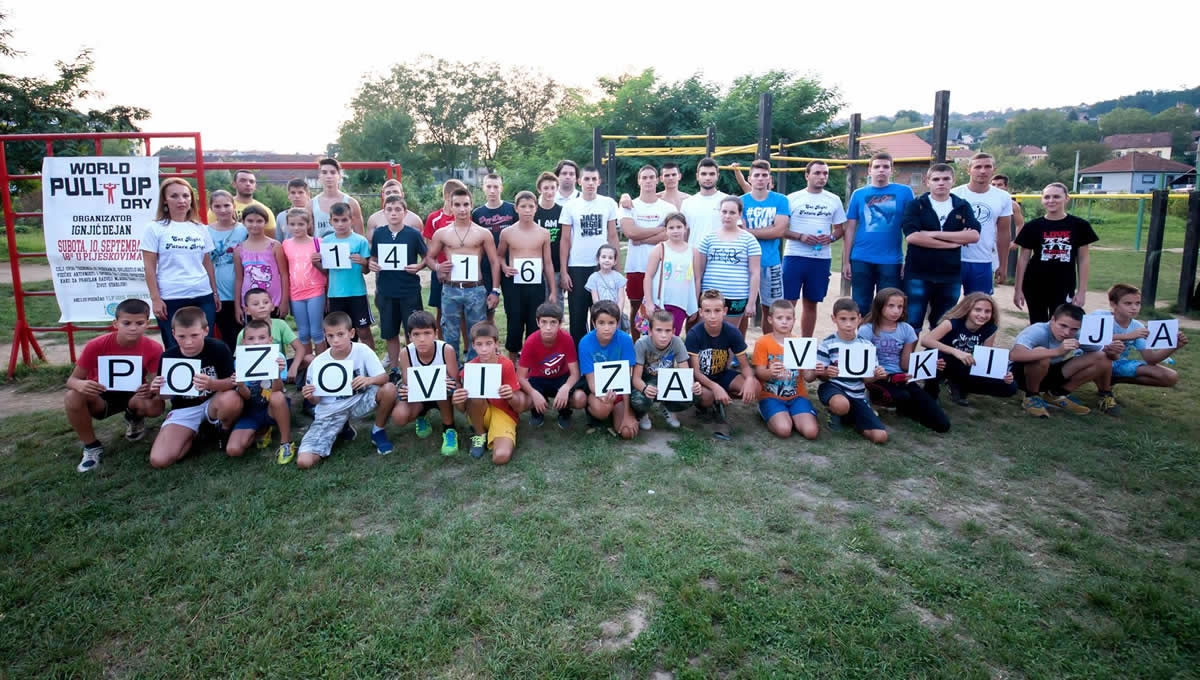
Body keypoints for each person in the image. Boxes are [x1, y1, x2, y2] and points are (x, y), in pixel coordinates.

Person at [64, 298, 165, 472]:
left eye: (139, 323)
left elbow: (159, 384)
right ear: (116, 323)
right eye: (126, 323)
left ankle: (134, 417)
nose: (133, 328)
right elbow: (71, 381)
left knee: (155, 405)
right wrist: (81, 385)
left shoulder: (154, 348)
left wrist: (151, 387)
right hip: (101, 395)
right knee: (72, 396)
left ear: (147, 324)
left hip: (133, 395)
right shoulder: (96, 345)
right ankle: (91, 446)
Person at [298, 312, 398, 467]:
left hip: (358, 401)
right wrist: (310, 396)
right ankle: (341, 427)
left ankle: (378, 431)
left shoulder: (362, 350)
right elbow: (316, 400)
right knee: (305, 462)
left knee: (389, 389)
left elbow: (383, 377)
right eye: (330, 336)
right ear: (325, 336)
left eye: (340, 334)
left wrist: (368, 379)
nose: (335, 340)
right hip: (331, 411)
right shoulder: (318, 362)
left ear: (351, 333)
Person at [148, 306, 243, 468]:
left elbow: (232, 383)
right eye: (181, 336)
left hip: (213, 402)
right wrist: (157, 389)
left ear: (206, 331)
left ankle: (223, 430)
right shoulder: (168, 356)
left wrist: (212, 384)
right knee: (159, 460)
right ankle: (195, 434)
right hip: (184, 409)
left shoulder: (218, 348)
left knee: (231, 399)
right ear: (173, 334)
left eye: (194, 335)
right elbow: (165, 396)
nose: (188, 341)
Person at [141, 178, 219, 351]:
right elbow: (149, 266)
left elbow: (207, 262)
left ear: (192, 199)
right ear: (165, 200)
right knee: (175, 345)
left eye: (185, 195)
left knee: (204, 343)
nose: (181, 200)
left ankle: (203, 378)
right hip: (171, 296)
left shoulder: (200, 228)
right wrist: (155, 298)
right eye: (174, 196)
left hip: (202, 294)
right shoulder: (154, 228)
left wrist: (214, 292)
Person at [900, 164, 981, 330]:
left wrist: (932, 234)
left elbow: (973, 235)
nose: (941, 183)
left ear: (953, 181)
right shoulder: (917, 205)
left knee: (943, 324)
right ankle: (908, 357)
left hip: (949, 275)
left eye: (946, 179)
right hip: (918, 272)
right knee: (912, 323)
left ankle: (938, 356)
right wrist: (953, 243)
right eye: (936, 179)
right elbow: (913, 237)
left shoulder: (962, 205)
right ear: (927, 181)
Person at [858, 288, 950, 433]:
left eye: (900, 307)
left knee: (942, 425)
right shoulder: (866, 330)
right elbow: (863, 364)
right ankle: (877, 399)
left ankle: (905, 408)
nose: (896, 311)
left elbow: (905, 364)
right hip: (877, 377)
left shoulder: (907, 329)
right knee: (902, 396)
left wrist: (929, 364)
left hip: (902, 377)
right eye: (891, 306)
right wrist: (878, 376)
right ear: (879, 305)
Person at [425, 187, 502, 360]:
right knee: (450, 332)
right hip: (451, 289)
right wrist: (438, 267)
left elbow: (494, 262)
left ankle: (473, 369)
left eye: (466, 204)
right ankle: (452, 370)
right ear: (450, 206)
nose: (462, 209)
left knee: (477, 332)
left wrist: (495, 290)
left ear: (471, 205)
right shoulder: (442, 233)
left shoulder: (483, 233)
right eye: (457, 205)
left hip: (475, 289)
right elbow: (429, 258)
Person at [1009, 303, 1119, 418]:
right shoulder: (1038, 330)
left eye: (1074, 329)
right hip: (1022, 376)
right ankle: (1031, 396)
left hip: (1050, 373)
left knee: (1101, 356)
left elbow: (1107, 358)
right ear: (1052, 320)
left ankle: (1056, 395)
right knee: (1041, 353)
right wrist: (1057, 351)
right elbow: (1014, 355)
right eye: (1063, 325)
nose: (1067, 332)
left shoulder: (1077, 335)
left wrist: (1113, 352)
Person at [1014, 183, 1098, 324]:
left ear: (1066, 198)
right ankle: (1038, 346)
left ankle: (1057, 347)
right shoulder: (1033, 226)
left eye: (1056, 196)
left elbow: (1083, 259)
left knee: (1060, 322)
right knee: (1038, 322)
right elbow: (1023, 259)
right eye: (1047, 197)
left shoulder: (1079, 225)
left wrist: (1082, 291)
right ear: (1042, 200)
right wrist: (1018, 289)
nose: (1051, 200)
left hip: (1064, 283)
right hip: (1035, 283)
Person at [809, 298, 889, 443]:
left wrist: (877, 375)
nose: (848, 324)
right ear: (834, 319)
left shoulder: (867, 346)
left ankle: (853, 419)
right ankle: (835, 413)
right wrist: (826, 372)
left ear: (859, 319)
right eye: (843, 319)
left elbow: (866, 379)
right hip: (833, 388)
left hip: (857, 393)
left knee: (880, 436)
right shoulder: (827, 344)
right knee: (841, 404)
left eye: (852, 319)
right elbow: (820, 375)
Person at [842, 153, 913, 315]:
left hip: (891, 260)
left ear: (891, 170)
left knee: (888, 305)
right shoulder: (858, 194)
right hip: (861, 258)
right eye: (877, 166)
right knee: (861, 304)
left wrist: (908, 260)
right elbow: (850, 228)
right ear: (869, 170)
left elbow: (911, 228)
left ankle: (883, 339)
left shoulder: (904, 192)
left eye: (885, 167)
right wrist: (846, 261)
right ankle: (862, 338)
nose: (881, 170)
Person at [783, 161, 847, 337]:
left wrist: (832, 237)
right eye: (817, 173)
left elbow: (840, 228)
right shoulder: (792, 198)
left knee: (811, 303)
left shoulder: (833, 199)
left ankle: (806, 344)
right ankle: (783, 343)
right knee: (788, 303)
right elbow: (781, 228)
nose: (822, 177)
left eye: (825, 173)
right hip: (795, 256)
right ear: (807, 175)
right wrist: (800, 236)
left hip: (820, 259)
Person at [686, 290, 761, 440]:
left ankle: (721, 399)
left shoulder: (732, 331)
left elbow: (745, 366)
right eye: (707, 311)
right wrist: (715, 387)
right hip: (701, 379)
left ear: (724, 311)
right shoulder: (694, 334)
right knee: (707, 396)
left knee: (756, 387)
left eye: (717, 311)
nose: (712, 316)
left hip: (721, 374)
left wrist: (750, 380)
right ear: (701, 312)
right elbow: (696, 372)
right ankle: (705, 406)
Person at [920, 292, 1017, 406]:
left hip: (966, 365)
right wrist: (956, 352)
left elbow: (986, 359)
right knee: (934, 358)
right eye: (978, 310)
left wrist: (1003, 375)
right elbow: (926, 341)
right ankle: (931, 392)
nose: (982, 314)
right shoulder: (952, 323)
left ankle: (959, 386)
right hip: (944, 361)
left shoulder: (990, 329)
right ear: (968, 309)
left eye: (987, 311)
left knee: (1011, 386)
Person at [453, 322, 529, 462]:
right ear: (473, 345)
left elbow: (518, 405)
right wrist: (457, 400)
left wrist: (510, 395)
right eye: (479, 344)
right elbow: (462, 409)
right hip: (480, 412)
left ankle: (494, 431)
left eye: (488, 343)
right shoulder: (470, 368)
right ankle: (479, 434)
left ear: (496, 344)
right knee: (475, 396)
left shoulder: (506, 365)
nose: (484, 349)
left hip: (503, 412)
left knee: (501, 457)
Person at [559, 166, 619, 342]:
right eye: (587, 179)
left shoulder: (608, 203)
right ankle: (578, 362)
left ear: (599, 181)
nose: (590, 183)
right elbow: (565, 240)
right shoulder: (570, 206)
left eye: (594, 179)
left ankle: (601, 359)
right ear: (580, 181)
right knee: (577, 318)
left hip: (602, 268)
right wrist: (564, 271)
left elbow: (613, 235)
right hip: (577, 267)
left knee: (603, 315)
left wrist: (616, 268)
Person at [369, 195, 427, 375]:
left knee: (412, 330)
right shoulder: (379, 233)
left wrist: (418, 266)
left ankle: (412, 367)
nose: (393, 213)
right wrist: (372, 263)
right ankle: (394, 367)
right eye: (389, 210)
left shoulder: (413, 234)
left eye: (397, 210)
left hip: (409, 290)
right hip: (386, 291)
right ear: (384, 212)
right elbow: (374, 257)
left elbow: (426, 256)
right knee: (389, 331)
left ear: (405, 212)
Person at [391, 311, 460, 456]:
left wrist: (449, 383)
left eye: (427, 333)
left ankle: (449, 429)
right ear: (409, 336)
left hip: (443, 397)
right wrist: (403, 390)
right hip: (420, 396)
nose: (422, 339)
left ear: (435, 333)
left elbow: (456, 383)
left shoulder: (446, 350)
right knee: (399, 416)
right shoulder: (406, 353)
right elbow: (407, 383)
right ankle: (421, 414)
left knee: (443, 387)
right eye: (416, 334)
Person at [225, 319, 294, 464]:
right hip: (251, 409)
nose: (256, 342)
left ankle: (286, 443)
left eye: (262, 338)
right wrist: (241, 385)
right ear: (243, 342)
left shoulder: (278, 358)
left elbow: (278, 389)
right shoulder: (239, 361)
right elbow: (246, 396)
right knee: (233, 450)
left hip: (273, 406)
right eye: (251, 338)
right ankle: (262, 429)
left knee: (277, 397)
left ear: (270, 340)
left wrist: (276, 374)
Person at [498, 190, 556, 358]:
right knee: (514, 321)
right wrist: (504, 267)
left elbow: (548, 262)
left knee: (534, 321)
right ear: (516, 208)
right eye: (523, 206)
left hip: (536, 284)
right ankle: (513, 359)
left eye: (531, 206)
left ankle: (531, 360)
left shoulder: (543, 233)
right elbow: (499, 255)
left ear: (536, 208)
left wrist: (552, 290)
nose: (527, 210)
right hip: (514, 285)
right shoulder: (507, 232)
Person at [619, 165, 673, 341]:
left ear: (657, 180)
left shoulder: (668, 207)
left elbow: (669, 234)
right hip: (636, 265)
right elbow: (630, 232)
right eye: (644, 177)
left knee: (660, 309)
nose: (648, 180)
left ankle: (659, 347)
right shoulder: (629, 205)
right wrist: (657, 230)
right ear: (638, 180)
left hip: (661, 266)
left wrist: (642, 238)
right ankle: (637, 347)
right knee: (636, 307)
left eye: (651, 177)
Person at [751, 300, 819, 440]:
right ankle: (769, 413)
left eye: (788, 318)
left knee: (811, 432)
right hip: (771, 396)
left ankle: (793, 415)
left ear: (794, 320)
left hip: (797, 396)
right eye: (779, 318)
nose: (784, 322)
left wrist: (816, 370)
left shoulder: (800, 342)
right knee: (784, 431)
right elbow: (759, 373)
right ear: (770, 319)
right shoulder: (763, 342)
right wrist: (770, 372)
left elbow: (808, 377)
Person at [572, 300, 639, 439]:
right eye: (601, 323)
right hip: (597, 390)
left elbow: (626, 380)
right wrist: (603, 397)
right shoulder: (585, 342)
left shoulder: (625, 340)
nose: (606, 328)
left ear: (618, 322)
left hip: (620, 391)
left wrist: (626, 414)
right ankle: (596, 411)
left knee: (627, 433)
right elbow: (591, 382)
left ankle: (622, 412)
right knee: (603, 409)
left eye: (611, 323)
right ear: (594, 323)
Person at [1099, 283, 1187, 388]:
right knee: (1105, 356)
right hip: (1095, 361)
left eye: (1137, 303)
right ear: (1113, 304)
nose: (1134, 308)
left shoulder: (1137, 326)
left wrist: (1174, 346)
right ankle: (1103, 389)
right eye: (1128, 303)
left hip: (1118, 364)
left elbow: (1151, 359)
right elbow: (1087, 339)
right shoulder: (1100, 316)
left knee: (1170, 376)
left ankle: (1112, 379)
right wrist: (1128, 336)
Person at [696, 196, 761, 333]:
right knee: (707, 334)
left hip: (736, 297)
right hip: (709, 297)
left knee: (729, 335)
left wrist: (751, 303)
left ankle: (729, 356)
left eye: (732, 212)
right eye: (724, 212)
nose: (727, 216)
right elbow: (699, 273)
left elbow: (755, 273)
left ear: (739, 214)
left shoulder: (749, 240)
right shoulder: (708, 238)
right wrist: (695, 299)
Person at [740, 160, 790, 334]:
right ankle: (739, 352)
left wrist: (749, 231)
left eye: (764, 175)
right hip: (744, 263)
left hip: (771, 262)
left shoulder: (780, 200)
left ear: (769, 178)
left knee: (772, 309)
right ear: (750, 179)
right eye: (756, 175)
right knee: (742, 308)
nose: (760, 179)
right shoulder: (741, 201)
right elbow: (740, 232)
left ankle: (771, 349)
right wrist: (767, 230)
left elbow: (779, 230)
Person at [951, 153, 1012, 294]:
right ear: (969, 170)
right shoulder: (955, 194)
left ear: (994, 170)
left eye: (987, 167)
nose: (983, 171)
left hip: (982, 259)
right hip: (953, 257)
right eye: (978, 167)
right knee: (947, 307)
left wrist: (1003, 265)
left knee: (978, 306)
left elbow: (1004, 233)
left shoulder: (1003, 197)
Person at [517, 302, 581, 430]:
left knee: (578, 397)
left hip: (560, 377)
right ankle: (537, 412)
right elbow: (520, 377)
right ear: (537, 322)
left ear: (560, 323)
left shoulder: (566, 339)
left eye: (553, 322)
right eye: (544, 322)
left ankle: (564, 413)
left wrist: (566, 387)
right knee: (530, 393)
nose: (548, 327)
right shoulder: (531, 341)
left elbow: (575, 373)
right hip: (538, 378)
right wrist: (533, 393)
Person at [631, 309, 697, 431]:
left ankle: (668, 407)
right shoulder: (641, 344)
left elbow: (685, 372)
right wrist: (644, 388)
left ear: (673, 332)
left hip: (668, 381)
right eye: (659, 330)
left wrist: (692, 385)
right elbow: (635, 378)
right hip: (647, 381)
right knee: (638, 400)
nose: (663, 335)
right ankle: (643, 413)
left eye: (667, 331)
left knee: (695, 394)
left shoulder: (677, 342)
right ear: (650, 331)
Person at [281, 207, 328, 365]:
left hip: (315, 290)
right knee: (303, 333)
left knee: (316, 331)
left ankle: (322, 364)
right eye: (292, 224)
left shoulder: (318, 243)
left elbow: (326, 268)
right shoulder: (286, 244)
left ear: (308, 224)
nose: (296, 228)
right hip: (296, 293)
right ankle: (309, 365)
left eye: (300, 224)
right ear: (287, 225)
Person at [325, 202, 375, 347]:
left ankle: (369, 364)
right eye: (336, 220)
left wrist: (363, 262)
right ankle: (341, 362)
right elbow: (324, 270)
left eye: (344, 220)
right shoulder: (327, 241)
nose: (340, 224)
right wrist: (317, 261)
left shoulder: (360, 241)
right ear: (330, 221)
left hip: (356, 292)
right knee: (337, 330)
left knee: (363, 331)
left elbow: (366, 271)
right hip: (335, 294)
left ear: (351, 220)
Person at [424, 179, 469, 340]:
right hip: (442, 273)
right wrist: (437, 268)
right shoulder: (434, 218)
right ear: (448, 196)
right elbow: (429, 250)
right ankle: (442, 345)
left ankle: (466, 347)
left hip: (463, 272)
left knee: (464, 311)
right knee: (441, 311)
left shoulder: (466, 217)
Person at [643, 212, 699, 335]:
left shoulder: (693, 251)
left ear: (685, 228)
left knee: (672, 337)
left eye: (679, 227)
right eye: (671, 228)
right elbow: (648, 276)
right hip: (660, 302)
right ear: (666, 230)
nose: (675, 231)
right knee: (654, 337)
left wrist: (694, 304)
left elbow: (696, 279)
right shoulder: (660, 248)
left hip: (680, 303)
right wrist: (649, 302)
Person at [473, 173, 519, 323]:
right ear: (483, 188)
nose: (492, 190)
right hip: (486, 265)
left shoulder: (512, 210)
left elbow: (519, 238)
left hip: (510, 266)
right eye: (489, 186)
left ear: (501, 188)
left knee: (513, 308)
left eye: (496, 187)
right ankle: (489, 341)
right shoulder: (477, 214)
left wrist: (507, 264)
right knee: (487, 309)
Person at [206, 189, 248, 350]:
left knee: (239, 334)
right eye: (217, 206)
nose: (222, 210)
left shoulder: (243, 230)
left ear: (233, 206)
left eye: (226, 205)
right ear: (211, 208)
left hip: (238, 290)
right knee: (223, 334)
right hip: (215, 291)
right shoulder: (205, 231)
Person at [236, 287, 307, 380]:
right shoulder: (243, 333)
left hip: (280, 367)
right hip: (255, 371)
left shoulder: (280, 324)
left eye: (266, 302)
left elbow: (300, 348)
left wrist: (294, 367)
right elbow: (239, 359)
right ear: (247, 310)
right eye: (255, 304)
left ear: (272, 306)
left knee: (310, 359)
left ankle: (293, 379)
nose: (262, 306)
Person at [233, 205, 288, 323]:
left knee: (275, 335)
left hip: (273, 301)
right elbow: (239, 279)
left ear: (265, 222)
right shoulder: (239, 249)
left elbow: (284, 274)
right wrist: (237, 306)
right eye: (250, 221)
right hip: (250, 304)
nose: (254, 225)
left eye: (259, 221)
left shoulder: (275, 246)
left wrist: (284, 301)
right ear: (243, 222)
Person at [680, 157, 727, 249]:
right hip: (694, 256)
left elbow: (736, 231)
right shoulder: (687, 203)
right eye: (704, 174)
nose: (708, 178)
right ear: (697, 176)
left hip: (721, 258)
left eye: (711, 174)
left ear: (717, 175)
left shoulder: (727, 200)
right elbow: (684, 234)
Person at [312, 158, 365, 237]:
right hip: (320, 248)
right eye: (324, 172)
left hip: (347, 248)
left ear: (339, 176)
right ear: (319, 176)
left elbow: (360, 237)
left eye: (333, 172)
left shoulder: (351, 203)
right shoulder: (311, 204)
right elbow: (308, 236)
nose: (329, 176)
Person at [534, 172, 565, 307]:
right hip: (536, 266)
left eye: (553, 188)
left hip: (556, 265)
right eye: (546, 188)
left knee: (555, 304)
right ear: (539, 189)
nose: (549, 191)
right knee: (538, 305)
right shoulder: (533, 211)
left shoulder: (562, 211)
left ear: (557, 188)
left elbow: (566, 240)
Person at [586, 244, 629, 331]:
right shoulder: (593, 278)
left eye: (610, 258)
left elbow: (621, 298)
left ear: (615, 261)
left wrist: (618, 314)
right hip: (601, 314)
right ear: (598, 259)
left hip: (615, 313)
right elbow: (595, 300)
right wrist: (600, 313)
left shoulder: (618, 277)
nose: (607, 260)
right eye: (604, 257)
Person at [992, 174, 1025, 279]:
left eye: (999, 185)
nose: (996, 187)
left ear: (1006, 186)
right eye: (993, 184)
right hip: (987, 241)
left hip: (1002, 241)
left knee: (1000, 269)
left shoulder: (1012, 205)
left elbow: (1020, 224)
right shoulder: (987, 201)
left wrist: (1016, 241)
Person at [230, 170, 278, 239]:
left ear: (255, 186)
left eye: (251, 181)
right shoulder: (221, 207)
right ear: (234, 184)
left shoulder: (264, 210)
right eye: (243, 180)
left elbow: (270, 240)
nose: (248, 184)